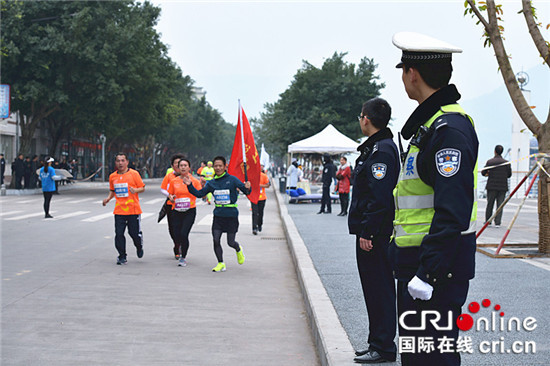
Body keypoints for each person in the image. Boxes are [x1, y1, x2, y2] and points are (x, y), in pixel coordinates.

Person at [390, 32, 478, 366]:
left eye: (403, 70)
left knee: (433, 358)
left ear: (413, 74)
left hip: (435, 272)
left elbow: (452, 210)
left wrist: (427, 273)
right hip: (420, 264)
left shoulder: (448, 130)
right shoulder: (431, 126)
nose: (403, 78)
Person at [348, 98, 399, 364]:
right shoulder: (375, 149)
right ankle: (375, 341)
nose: (360, 120)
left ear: (366, 119)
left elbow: (380, 198)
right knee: (372, 289)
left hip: (376, 236)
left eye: (360, 116)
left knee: (379, 289)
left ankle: (384, 347)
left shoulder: (382, 151)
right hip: (371, 232)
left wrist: (367, 231)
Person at [183, 156, 251, 272]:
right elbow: (199, 194)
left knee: (230, 242)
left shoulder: (233, 180)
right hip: (218, 215)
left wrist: (248, 187)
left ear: (225, 167)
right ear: (213, 167)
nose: (218, 168)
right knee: (216, 239)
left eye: (220, 166)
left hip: (231, 215)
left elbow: (246, 191)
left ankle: (238, 248)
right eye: (216, 166)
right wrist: (189, 185)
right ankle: (220, 263)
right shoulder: (212, 183)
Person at [102, 153, 146, 265]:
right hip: (119, 210)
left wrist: (135, 190)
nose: (120, 163)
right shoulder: (113, 176)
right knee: (119, 233)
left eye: (122, 160)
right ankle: (122, 255)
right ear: (115, 163)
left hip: (133, 210)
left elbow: (142, 188)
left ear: (127, 162)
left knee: (133, 233)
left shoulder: (134, 174)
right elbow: (112, 190)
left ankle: (139, 245)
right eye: (118, 161)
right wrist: (108, 199)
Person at [167, 158, 202, 267]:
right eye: (181, 165)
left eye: (185, 165)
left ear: (189, 168)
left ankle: (183, 257)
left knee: (184, 233)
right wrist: (171, 198)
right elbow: (170, 194)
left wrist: (203, 186)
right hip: (176, 211)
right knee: (176, 234)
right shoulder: (174, 181)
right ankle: (180, 246)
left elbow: (200, 193)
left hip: (189, 211)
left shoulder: (194, 181)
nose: (182, 167)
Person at [481, 145, 511, 228]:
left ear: (495, 151)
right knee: (500, 205)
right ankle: (497, 222)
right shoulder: (506, 162)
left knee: (490, 204)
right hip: (502, 187)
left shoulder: (490, 162)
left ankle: (488, 221)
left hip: (492, 186)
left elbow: (483, 173)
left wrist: (488, 173)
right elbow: (509, 175)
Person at [160, 153, 184, 259]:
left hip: (185, 206)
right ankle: (177, 245)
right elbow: (163, 189)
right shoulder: (169, 176)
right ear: (172, 165)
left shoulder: (187, 176)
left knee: (183, 228)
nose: (178, 165)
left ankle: (182, 244)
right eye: (176, 163)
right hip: (171, 205)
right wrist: (169, 195)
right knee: (173, 228)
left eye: (180, 163)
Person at [251, 164, 271, 235]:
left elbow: (268, 185)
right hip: (253, 197)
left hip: (262, 197)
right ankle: (254, 228)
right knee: (254, 212)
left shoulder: (264, 176)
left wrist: (259, 186)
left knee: (260, 212)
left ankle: (259, 224)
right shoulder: (252, 175)